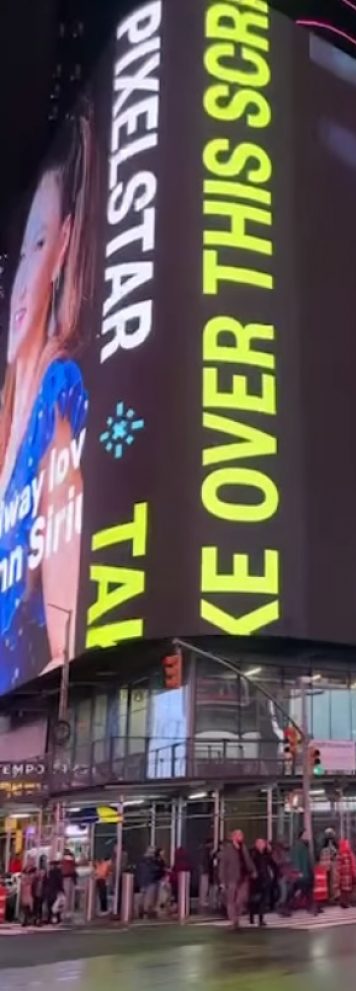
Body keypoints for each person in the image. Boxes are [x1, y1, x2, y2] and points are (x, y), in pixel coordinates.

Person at [0, 105, 94, 693]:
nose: (18, 285)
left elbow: (64, 650)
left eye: (39, 244)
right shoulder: (8, 411)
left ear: (61, 251)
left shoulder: (55, 399)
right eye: (20, 254)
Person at [218, 830, 253, 931]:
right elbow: (222, 866)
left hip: (244, 877)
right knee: (231, 900)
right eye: (239, 835)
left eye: (241, 835)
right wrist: (222, 881)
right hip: (231, 878)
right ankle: (234, 920)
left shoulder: (244, 848)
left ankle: (236, 917)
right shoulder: (227, 849)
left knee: (241, 899)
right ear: (233, 837)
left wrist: (253, 870)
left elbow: (248, 861)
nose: (241, 837)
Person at [288, 829, 319, 915]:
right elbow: (296, 859)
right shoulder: (299, 846)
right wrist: (298, 871)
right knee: (302, 891)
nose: (308, 836)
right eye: (306, 835)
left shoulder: (303, 846)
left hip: (305, 873)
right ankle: (288, 906)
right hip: (302, 874)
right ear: (302, 836)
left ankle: (311, 907)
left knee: (305, 891)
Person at [248, 839, 276, 927]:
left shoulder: (266, 854)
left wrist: (269, 851)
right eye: (260, 843)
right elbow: (250, 865)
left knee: (263, 900)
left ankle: (261, 919)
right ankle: (251, 916)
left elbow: (272, 863)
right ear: (256, 844)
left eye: (263, 843)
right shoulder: (253, 854)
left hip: (265, 878)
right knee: (254, 899)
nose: (262, 845)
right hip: (256, 879)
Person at [336, 839, 356, 909]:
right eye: (347, 844)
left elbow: (339, 866)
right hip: (347, 874)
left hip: (345, 875)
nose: (348, 845)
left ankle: (345, 902)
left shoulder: (341, 854)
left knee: (345, 890)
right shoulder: (346, 854)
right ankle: (349, 902)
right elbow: (349, 864)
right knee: (349, 889)